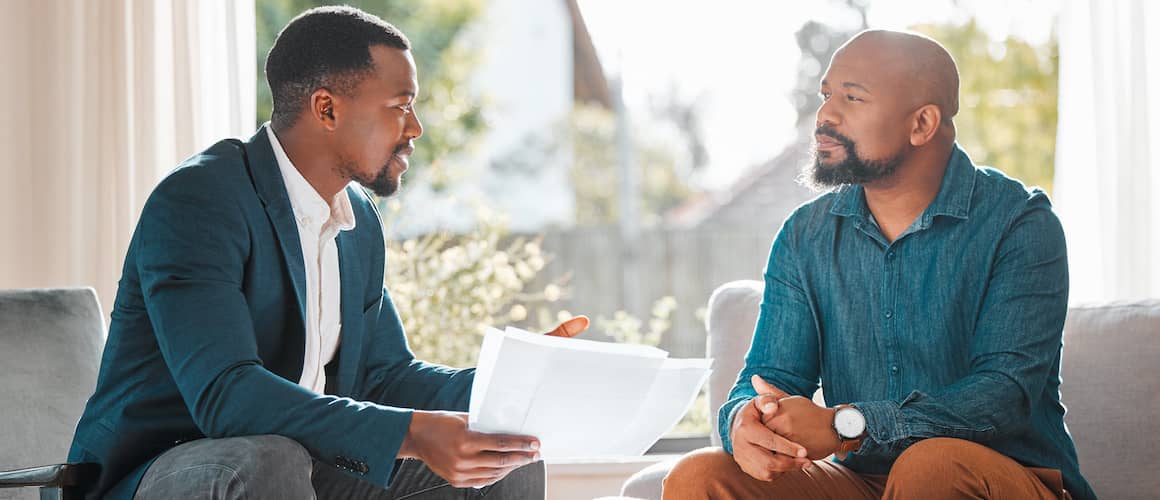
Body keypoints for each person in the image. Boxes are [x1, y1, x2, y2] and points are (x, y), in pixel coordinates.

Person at [67, 6, 589, 500]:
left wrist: (516, 381)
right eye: (401, 106)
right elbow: (227, 395)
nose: (415, 129)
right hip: (158, 470)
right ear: (327, 108)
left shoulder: (356, 220)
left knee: (502, 461)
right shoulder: (201, 200)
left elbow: (387, 376)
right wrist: (412, 432)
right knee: (271, 460)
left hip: (289, 460)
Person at [661, 30, 1095, 500]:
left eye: (853, 97)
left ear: (922, 124)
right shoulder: (806, 235)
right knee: (699, 477)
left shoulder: (1019, 222)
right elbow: (770, 376)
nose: (825, 114)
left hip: (1002, 477)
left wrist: (847, 424)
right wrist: (744, 420)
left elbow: (1002, 395)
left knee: (930, 466)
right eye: (827, 94)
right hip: (860, 482)